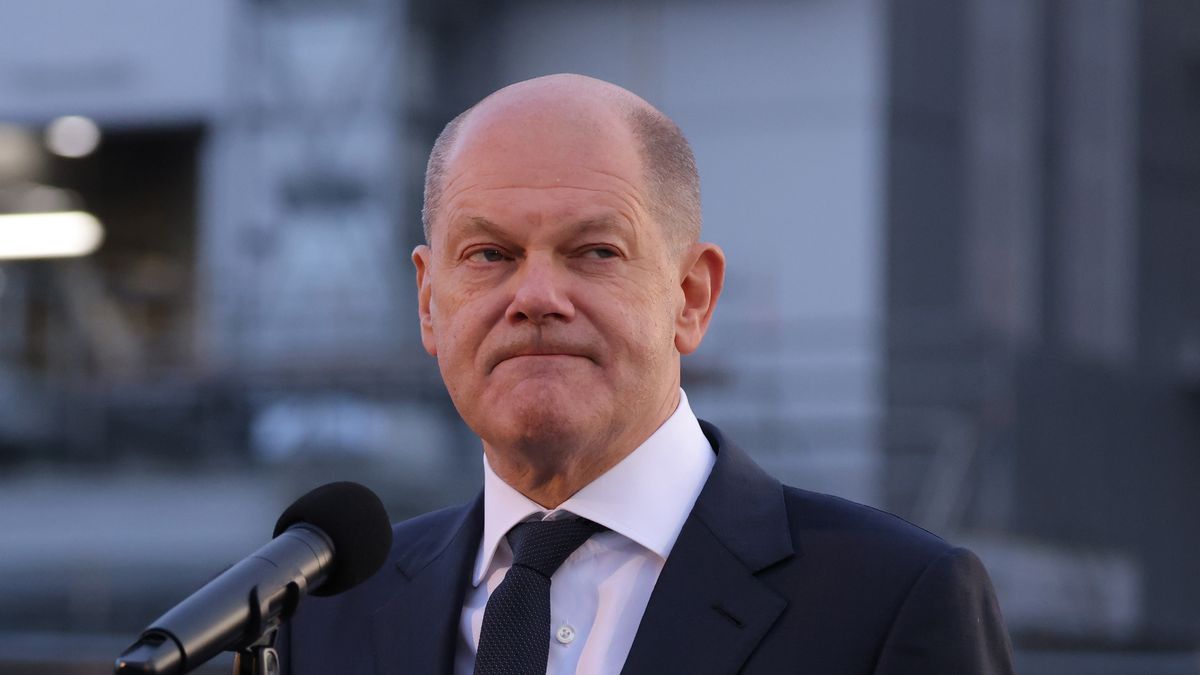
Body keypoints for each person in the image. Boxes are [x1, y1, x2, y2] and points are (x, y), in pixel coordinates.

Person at [276, 74, 1015, 674]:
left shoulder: (887, 602)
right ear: (429, 302)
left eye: (595, 251)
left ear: (691, 297)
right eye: (489, 255)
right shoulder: (327, 613)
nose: (536, 296)